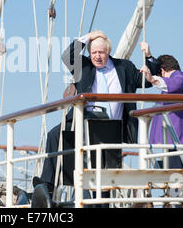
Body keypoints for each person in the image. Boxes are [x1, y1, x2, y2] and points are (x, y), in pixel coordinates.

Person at [35, 30, 160, 192]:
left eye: (101, 52)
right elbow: (68, 56)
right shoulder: (84, 66)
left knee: (104, 177)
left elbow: (146, 81)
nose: (97, 56)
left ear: (108, 52)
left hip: (113, 127)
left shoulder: (124, 67)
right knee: (54, 135)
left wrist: (149, 57)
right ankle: (47, 186)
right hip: (85, 122)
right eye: (93, 52)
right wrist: (88, 37)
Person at [140, 55, 183, 198]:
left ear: (163, 72)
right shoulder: (182, 78)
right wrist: (150, 56)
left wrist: (151, 79)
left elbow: (175, 85)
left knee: (177, 187)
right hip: (182, 142)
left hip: (180, 144)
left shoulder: (180, 77)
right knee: (181, 187)